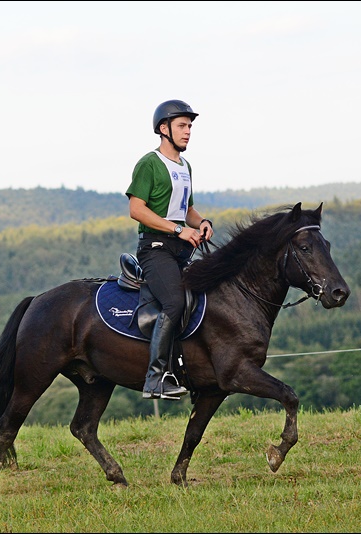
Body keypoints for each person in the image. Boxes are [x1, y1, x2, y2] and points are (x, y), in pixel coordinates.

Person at [125, 99, 214, 400]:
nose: (188, 131)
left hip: (181, 249)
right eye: (182, 126)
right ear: (164, 129)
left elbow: (186, 209)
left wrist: (201, 222)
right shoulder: (149, 163)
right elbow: (136, 209)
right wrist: (178, 229)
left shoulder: (185, 166)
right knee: (174, 303)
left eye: (190, 126)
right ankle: (155, 379)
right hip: (155, 248)